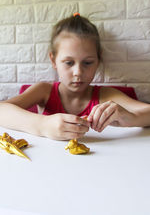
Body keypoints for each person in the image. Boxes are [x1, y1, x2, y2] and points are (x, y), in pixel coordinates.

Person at [0, 13, 150, 140]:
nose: (78, 72)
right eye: (69, 62)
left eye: (87, 62)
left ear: (98, 60)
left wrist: (130, 118)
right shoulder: (44, 91)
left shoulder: (105, 95)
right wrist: (42, 125)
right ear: (53, 60)